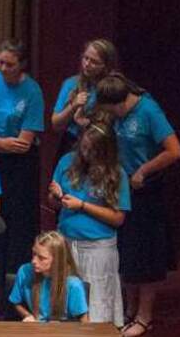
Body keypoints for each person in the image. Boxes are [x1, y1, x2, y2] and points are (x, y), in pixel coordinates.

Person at [95, 73, 180, 337]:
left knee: (146, 255)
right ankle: (130, 309)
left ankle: (145, 316)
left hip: (145, 190)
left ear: (121, 103)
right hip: (122, 189)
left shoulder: (148, 111)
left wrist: (144, 171)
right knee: (128, 253)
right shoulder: (117, 115)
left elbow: (174, 150)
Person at [0, 39, 45, 298]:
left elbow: (23, 144)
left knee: (18, 226)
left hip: (21, 168)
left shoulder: (32, 91)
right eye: (0, 62)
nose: (4, 68)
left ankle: (15, 291)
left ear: (22, 65)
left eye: (10, 64)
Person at [48, 120, 129, 325]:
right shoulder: (67, 161)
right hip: (66, 242)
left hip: (97, 247)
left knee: (96, 303)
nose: (85, 153)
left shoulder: (116, 173)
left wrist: (82, 206)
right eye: (83, 147)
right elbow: (52, 203)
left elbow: (118, 218)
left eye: (92, 150)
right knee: (66, 300)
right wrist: (56, 196)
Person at [50, 39, 118, 158]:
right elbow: (56, 124)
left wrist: (88, 123)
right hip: (72, 143)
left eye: (94, 62)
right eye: (85, 58)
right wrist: (73, 106)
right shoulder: (71, 83)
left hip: (100, 144)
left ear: (105, 66)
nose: (87, 64)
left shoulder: (112, 88)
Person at [10, 231, 89, 323]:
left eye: (41, 258)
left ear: (57, 260)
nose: (34, 261)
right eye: (34, 254)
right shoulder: (24, 271)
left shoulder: (73, 284)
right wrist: (28, 316)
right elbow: (16, 303)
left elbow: (84, 322)